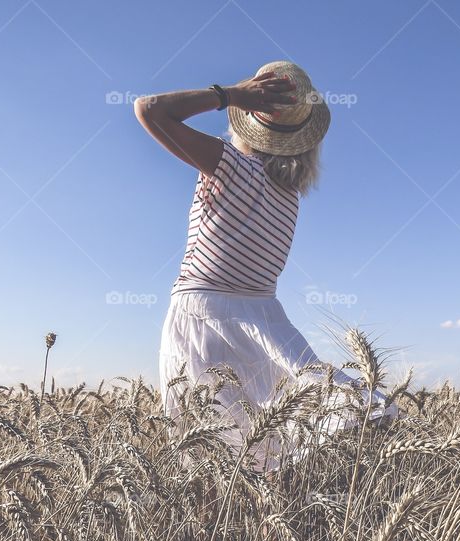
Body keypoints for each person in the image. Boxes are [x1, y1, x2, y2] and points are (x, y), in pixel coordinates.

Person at [134, 60, 398, 471]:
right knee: (286, 432)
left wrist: (230, 94)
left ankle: (223, 531)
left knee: (208, 455)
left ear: (251, 121)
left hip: (201, 316)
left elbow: (149, 109)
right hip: (267, 319)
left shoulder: (229, 164)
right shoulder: (288, 197)